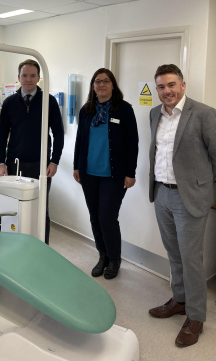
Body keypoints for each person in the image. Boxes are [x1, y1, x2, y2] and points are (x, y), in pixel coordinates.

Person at [148, 64, 216, 347]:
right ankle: (180, 300)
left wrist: (201, 184)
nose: (166, 91)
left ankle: (196, 317)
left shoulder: (205, 114)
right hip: (161, 194)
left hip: (189, 199)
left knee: (191, 259)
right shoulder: (153, 114)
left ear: (183, 85)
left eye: (171, 85)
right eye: (161, 86)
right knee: (174, 254)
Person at [73, 68, 138, 280]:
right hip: (89, 174)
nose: (101, 85)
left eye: (106, 81)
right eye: (97, 81)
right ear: (93, 86)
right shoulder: (86, 110)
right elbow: (80, 140)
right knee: (94, 217)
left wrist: (131, 172)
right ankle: (102, 256)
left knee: (107, 218)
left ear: (113, 85)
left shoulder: (124, 110)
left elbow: (132, 143)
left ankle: (114, 258)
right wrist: (76, 166)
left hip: (114, 175)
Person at [0, 59, 64, 245]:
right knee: (14, 208)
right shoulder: (9, 103)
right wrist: (1, 162)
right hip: (14, 165)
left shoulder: (49, 101)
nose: (28, 80)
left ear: (38, 78)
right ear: (18, 77)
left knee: (41, 210)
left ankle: (42, 250)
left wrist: (54, 161)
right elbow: (2, 135)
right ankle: (13, 248)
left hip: (40, 166)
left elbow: (58, 133)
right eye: (24, 75)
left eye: (32, 75)